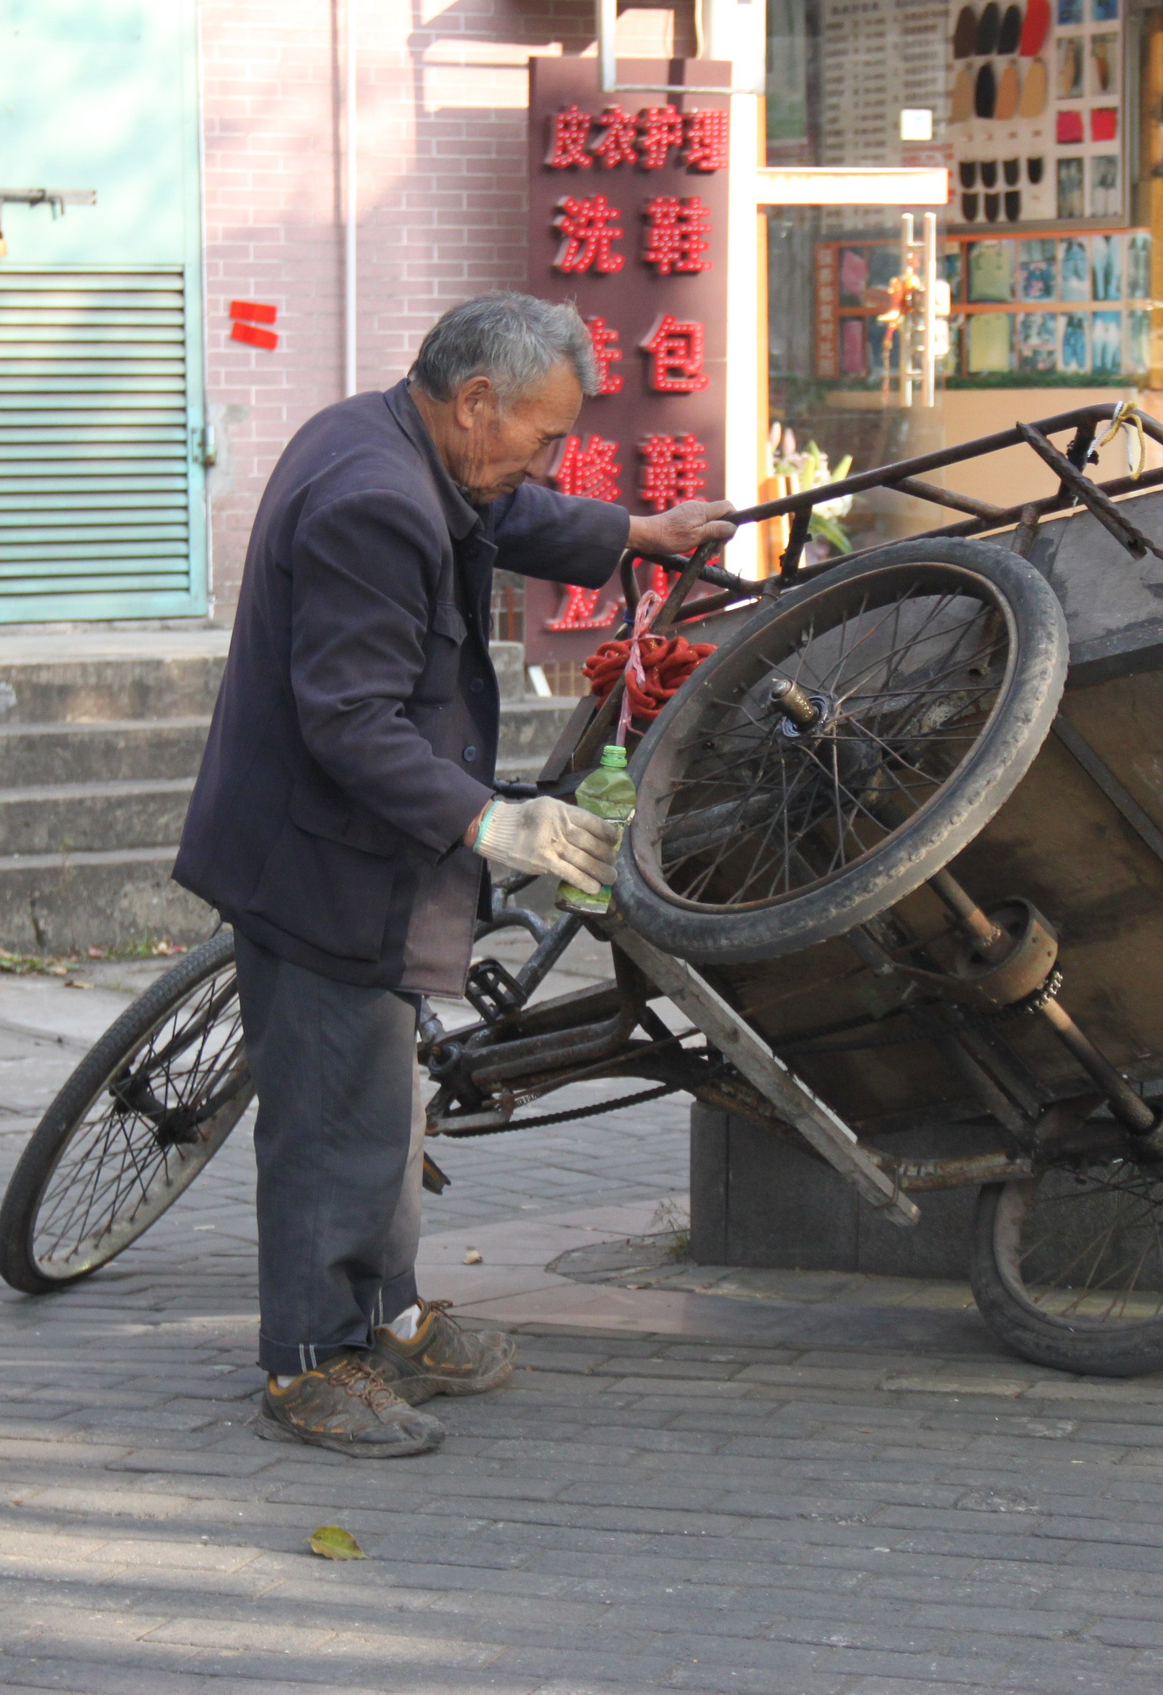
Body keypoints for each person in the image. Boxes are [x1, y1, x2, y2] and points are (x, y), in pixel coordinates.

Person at [173, 293, 733, 1457]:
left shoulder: (392, 435)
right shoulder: (374, 504)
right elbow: (352, 725)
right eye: (540, 433)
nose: (546, 457)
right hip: (320, 860)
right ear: (475, 400)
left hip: (353, 849)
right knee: (333, 1116)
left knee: (381, 1102)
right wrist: (494, 825)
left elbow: (504, 514)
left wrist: (636, 534)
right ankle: (309, 1365)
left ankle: (385, 1311)